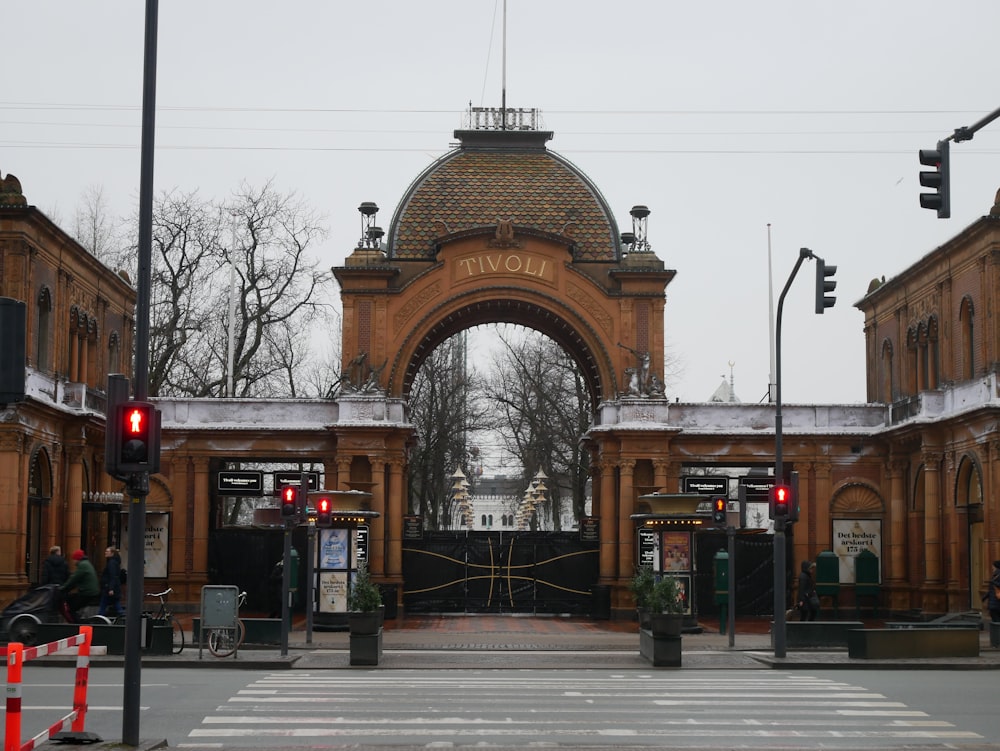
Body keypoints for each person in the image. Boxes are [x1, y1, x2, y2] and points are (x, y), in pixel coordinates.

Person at [60, 549, 100, 620]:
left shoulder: (83, 565)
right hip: (91, 591)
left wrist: (63, 588)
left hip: (87, 592)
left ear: (77, 559)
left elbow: (74, 579)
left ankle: (77, 624)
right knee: (73, 601)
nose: (73, 561)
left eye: (74, 559)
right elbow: (77, 580)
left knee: (71, 608)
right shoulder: (86, 563)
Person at [98, 546, 125, 617]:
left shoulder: (111, 563)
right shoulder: (114, 562)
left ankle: (100, 618)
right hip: (112, 587)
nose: (105, 552)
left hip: (109, 588)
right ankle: (122, 615)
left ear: (112, 553)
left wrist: (111, 588)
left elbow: (113, 576)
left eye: (107, 551)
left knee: (103, 604)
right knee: (115, 603)